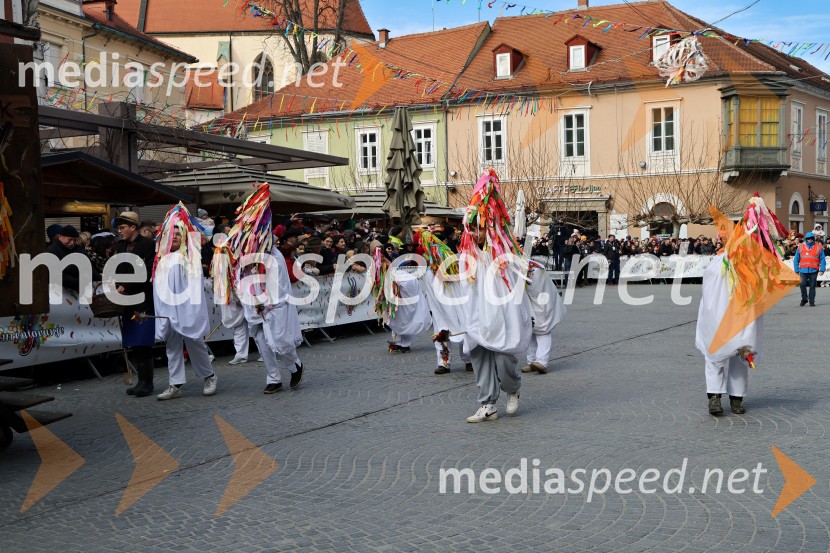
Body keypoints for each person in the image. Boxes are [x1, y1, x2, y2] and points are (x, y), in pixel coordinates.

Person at [695, 194, 795, 416]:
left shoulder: (751, 266)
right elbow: (709, 292)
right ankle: (714, 397)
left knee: (741, 358)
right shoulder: (717, 264)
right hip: (717, 318)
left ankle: (736, 399)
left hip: (742, 319)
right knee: (715, 358)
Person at [460, 170, 532, 423]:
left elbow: (516, 284)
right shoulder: (467, 255)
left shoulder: (505, 254)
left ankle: (513, 389)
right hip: (478, 317)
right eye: (472, 229)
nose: (476, 234)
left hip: (502, 317)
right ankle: (487, 404)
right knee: (480, 359)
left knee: (503, 359)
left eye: (480, 229)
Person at [154, 219, 218, 401]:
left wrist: (191, 311)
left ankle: (209, 376)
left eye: (178, 234)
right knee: (172, 347)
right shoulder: (161, 258)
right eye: (171, 234)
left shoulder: (190, 257)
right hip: (168, 309)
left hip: (186, 309)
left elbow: (194, 287)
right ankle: (175, 384)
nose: (174, 237)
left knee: (195, 344)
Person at [114, 211, 157, 397]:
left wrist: (126, 285)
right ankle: (140, 381)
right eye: (118, 228)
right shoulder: (119, 245)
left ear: (133, 227)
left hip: (142, 301)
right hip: (126, 302)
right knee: (134, 343)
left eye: (122, 227)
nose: (120, 231)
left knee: (143, 342)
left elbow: (147, 270)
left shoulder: (148, 244)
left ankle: (147, 382)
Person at [521, 260, 566, 375]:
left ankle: (542, 362)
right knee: (529, 332)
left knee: (543, 330)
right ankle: (531, 361)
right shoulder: (520, 268)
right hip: (529, 304)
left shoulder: (535, 269)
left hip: (542, 304)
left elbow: (537, 288)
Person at [793, 231, 826, 307]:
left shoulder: (819, 247)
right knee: (802, 284)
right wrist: (796, 270)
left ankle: (811, 301)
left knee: (812, 286)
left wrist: (822, 269)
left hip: (813, 270)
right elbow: (796, 259)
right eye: (808, 238)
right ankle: (804, 299)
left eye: (811, 238)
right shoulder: (800, 246)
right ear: (806, 239)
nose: (810, 240)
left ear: (813, 239)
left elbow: (822, 259)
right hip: (803, 270)